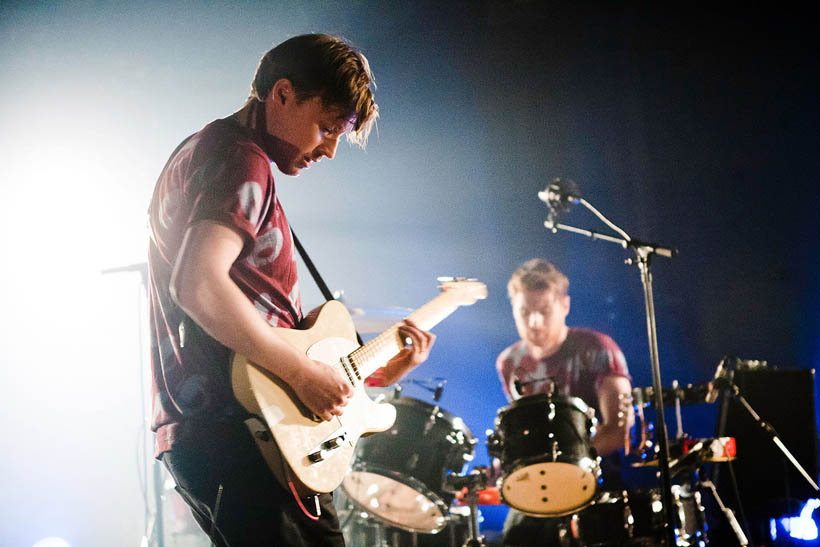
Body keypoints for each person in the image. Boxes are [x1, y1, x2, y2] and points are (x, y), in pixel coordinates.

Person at [147, 34, 436, 546]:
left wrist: (361, 373)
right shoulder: (240, 159)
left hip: (229, 427)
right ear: (281, 94)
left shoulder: (203, 152)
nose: (328, 149)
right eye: (326, 128)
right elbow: (198, 285)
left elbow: (254, 318)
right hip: (240, 431)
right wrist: (301, 372)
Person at [494, 259, 634, 546]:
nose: (534, 322)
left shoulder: (597, 349)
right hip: (536, 488)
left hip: (596, 483)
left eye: (544, 311)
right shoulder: (509, 361)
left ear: (564, 306)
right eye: (524, 313)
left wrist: (563, 462)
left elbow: (619, 430)